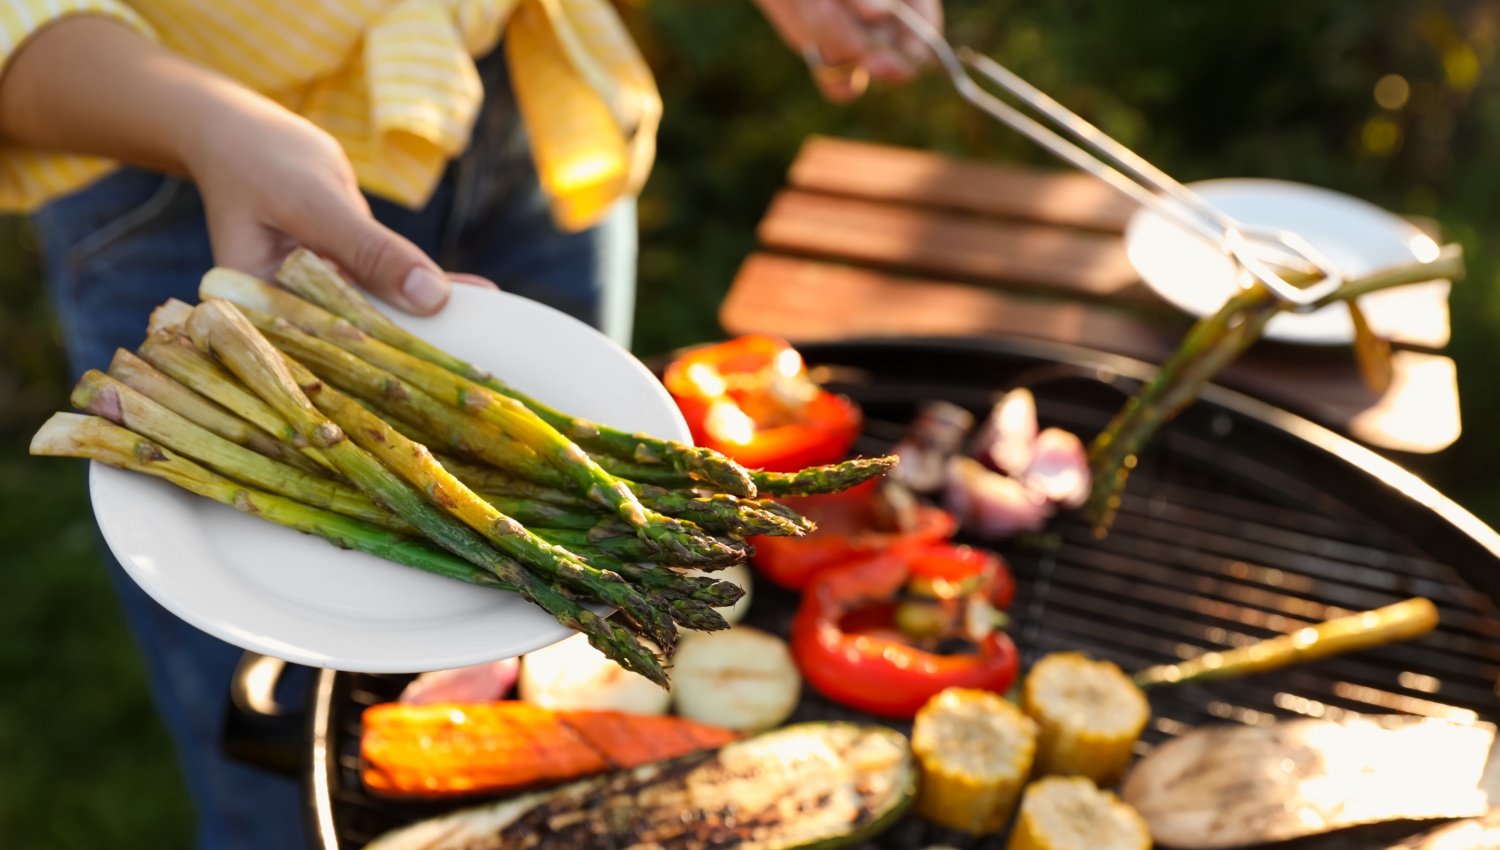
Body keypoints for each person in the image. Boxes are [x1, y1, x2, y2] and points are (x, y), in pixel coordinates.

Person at [0, 0, 940, 845]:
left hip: (520, 73)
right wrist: (208, 129)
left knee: (544, 552)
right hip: (154, 133)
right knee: (263, 749)